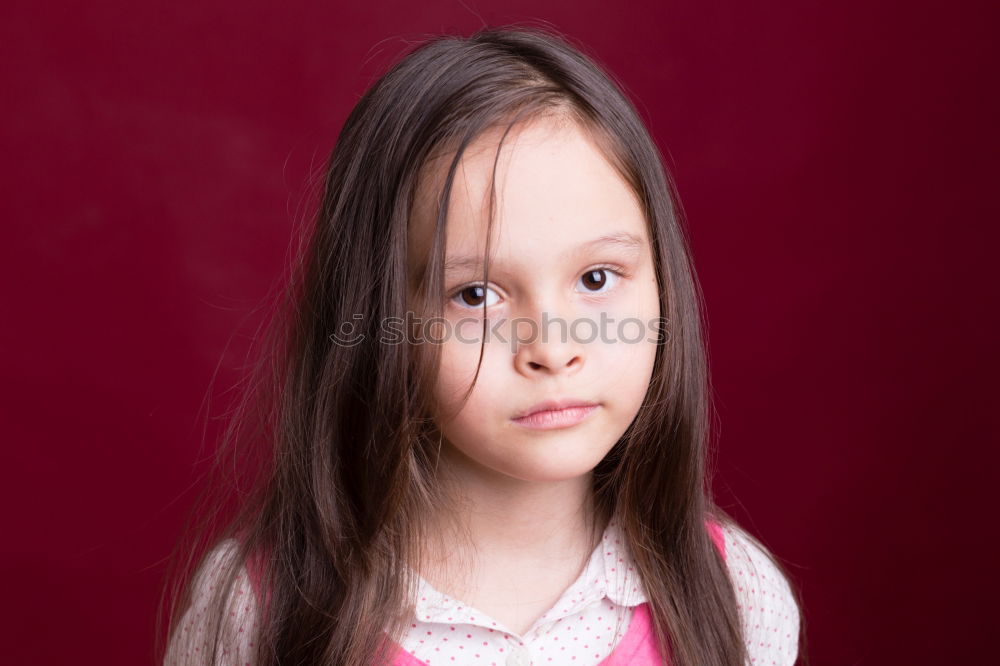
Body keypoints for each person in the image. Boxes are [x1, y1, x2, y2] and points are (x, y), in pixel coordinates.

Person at [160, 25, 806, 666]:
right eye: (475, 295)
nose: (552, 348)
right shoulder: (265, 607)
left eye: (596, 279)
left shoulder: (735, 594)